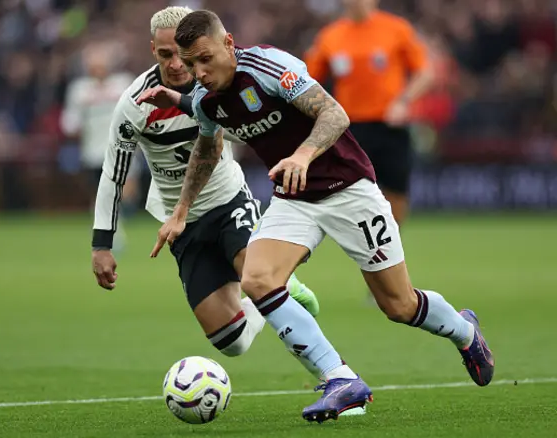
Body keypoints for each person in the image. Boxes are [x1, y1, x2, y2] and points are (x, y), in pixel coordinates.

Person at [141, 9, 494, 423]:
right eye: (189, 62)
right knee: (257, 279)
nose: (197, 71)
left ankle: (465, 331)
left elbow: (335, 114)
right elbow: (207, 148)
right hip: (295, 199)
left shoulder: (270, 67)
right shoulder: (205, 100)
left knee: (398, 304)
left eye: (205, 59)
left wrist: (304, 154)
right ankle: (339, 378)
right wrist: (180, 211)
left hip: (349, 189)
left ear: (228, 44)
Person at [91, 7, 319, 361]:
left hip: (228, 201)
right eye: (165, 55)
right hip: (180, 222)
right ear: (153, 50)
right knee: (233, 342)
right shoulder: (135, 103)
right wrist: (101, 245)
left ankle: (333, 375)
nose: (177, 65)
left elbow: (239, 123)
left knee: (260, 284)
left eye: (181, 55)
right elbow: (114, 173)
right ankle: (285, 288)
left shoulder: (215, 81)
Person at [304, 0, 434, 226]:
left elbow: (425, 73)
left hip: (390, 125)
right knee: (354, 191)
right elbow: (308, 82)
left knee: (396, 190)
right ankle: (366, 242)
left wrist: (403, 101)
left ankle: (391, 243)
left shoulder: (396, 29)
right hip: (350, 128)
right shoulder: (330, 36)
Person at [62, 40, 137, 252]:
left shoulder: (123, 84)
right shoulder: (79, 91)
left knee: (124, 192)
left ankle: (112, 226)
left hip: (123, 148)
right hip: (93, 152)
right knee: (100, 194)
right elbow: (70, 123)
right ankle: (108, 231)